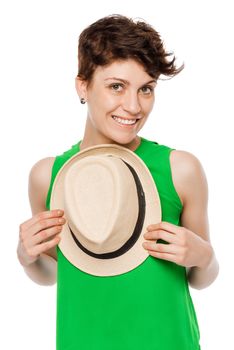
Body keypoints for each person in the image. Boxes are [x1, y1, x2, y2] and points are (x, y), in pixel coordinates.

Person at [17, 14, 219, 350]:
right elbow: (54, 273)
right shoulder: (47, 176)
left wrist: (204, 256)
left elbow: (201, 278)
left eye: (146, 89)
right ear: (83, 85)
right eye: (116, 86)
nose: (133, 106)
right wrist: (27, 257)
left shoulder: (180, 169)